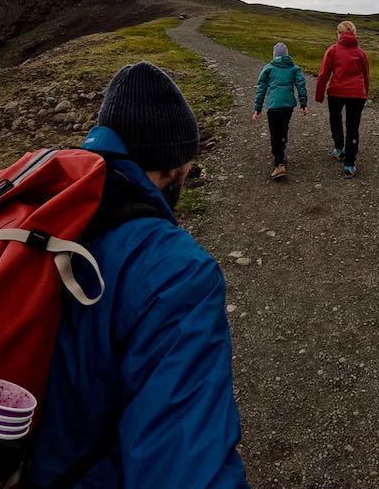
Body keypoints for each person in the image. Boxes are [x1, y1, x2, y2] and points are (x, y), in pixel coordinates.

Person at [28, 61, 248, 488]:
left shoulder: (47, 205)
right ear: (171, 169)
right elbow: (184, 461)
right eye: (187, 168)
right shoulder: (178, 271)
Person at [314, 20, 370, 177]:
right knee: (353, 127)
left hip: (336, 92)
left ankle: (339, 149)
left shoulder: (333, 50)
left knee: (335, 119)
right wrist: (365, 93)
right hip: (357, 94)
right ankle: (349, 165)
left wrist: (319, 94)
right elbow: (366, 76)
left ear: (339, 33)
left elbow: (324, 74)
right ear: (354, 33)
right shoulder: (360, 53)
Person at [252, 42, 309, 179]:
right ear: (287, 55)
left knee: (275, 133)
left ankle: (279, 163)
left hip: (273, 106)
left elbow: (261, 89)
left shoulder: (269, 68)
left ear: (274, 55)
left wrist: (257, 108)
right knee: (283, 130)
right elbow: (301, 85)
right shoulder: (294, 68)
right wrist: (303, 103)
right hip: (288, 106)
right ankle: (281, 154)